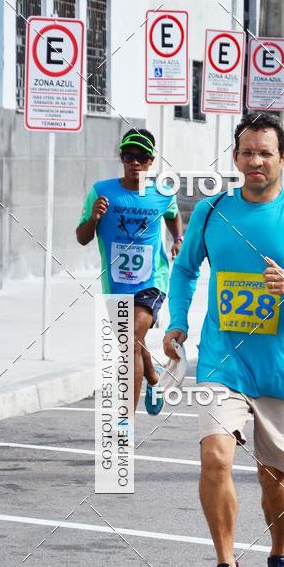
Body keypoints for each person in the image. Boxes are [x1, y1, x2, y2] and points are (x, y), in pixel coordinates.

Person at [163, 112, 284, 567]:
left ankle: (280, 555)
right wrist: (177, 320)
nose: (256, 161)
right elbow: (184, 270)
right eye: (247, 152)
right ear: (236, 157)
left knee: (274, 477)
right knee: (215, 457)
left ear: (283, 158)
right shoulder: (210, 210)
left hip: (281, 365)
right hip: (223, 361)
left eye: (266, 152)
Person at [76, 128, 183, 413]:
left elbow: (173, 215)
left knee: (129, 342)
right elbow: (82, 237)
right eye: (128, 156)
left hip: (152, 279)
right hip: (115, 283)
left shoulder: (162, 191)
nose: (135, 162)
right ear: (121, 157)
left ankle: (125, 423)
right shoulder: (101, 191)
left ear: (151, 161)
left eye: (141, 157)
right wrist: (95, 217)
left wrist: (178, 239)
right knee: (133, 340)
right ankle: (153, 377)